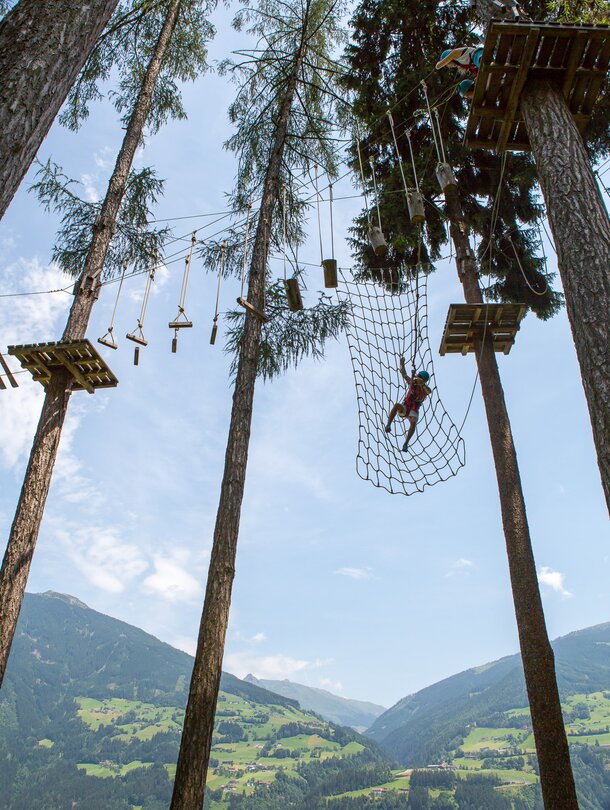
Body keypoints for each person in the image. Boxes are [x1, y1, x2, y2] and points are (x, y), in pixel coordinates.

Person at [385, 359, 431, 453]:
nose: (417, 378)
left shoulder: (424, 389)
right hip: (406, 407)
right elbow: (403, 373)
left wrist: (421, 384)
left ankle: (406, 443)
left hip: (414, 410)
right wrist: (401, 364)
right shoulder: (412, 383)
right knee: (397, 405)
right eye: (418, 376)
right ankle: (388, 424)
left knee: (413, 422)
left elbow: (429, 391)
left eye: (419, 377)